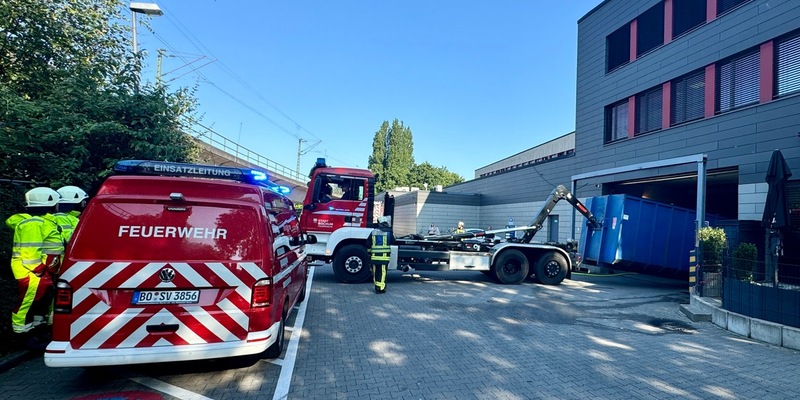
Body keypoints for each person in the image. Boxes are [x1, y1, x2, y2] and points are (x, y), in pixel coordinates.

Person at [5, 187, 64, 349]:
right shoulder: (33, 224)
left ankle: (36, 331)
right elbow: (29, 251)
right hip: (31, 271)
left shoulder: (40, 222)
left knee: (39, 302)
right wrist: (39, 270)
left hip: (39, 270)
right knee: (27, 303)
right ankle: (22, 336)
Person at [369, 217, 391, 294]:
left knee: (376, 272)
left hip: (374, 257)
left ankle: (376, 286)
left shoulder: (373, 232)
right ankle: (381, 288)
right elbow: (393, 241)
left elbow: (368, 244)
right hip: (384, 258)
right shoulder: (389, 233)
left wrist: (369, 254)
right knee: (382, 272)